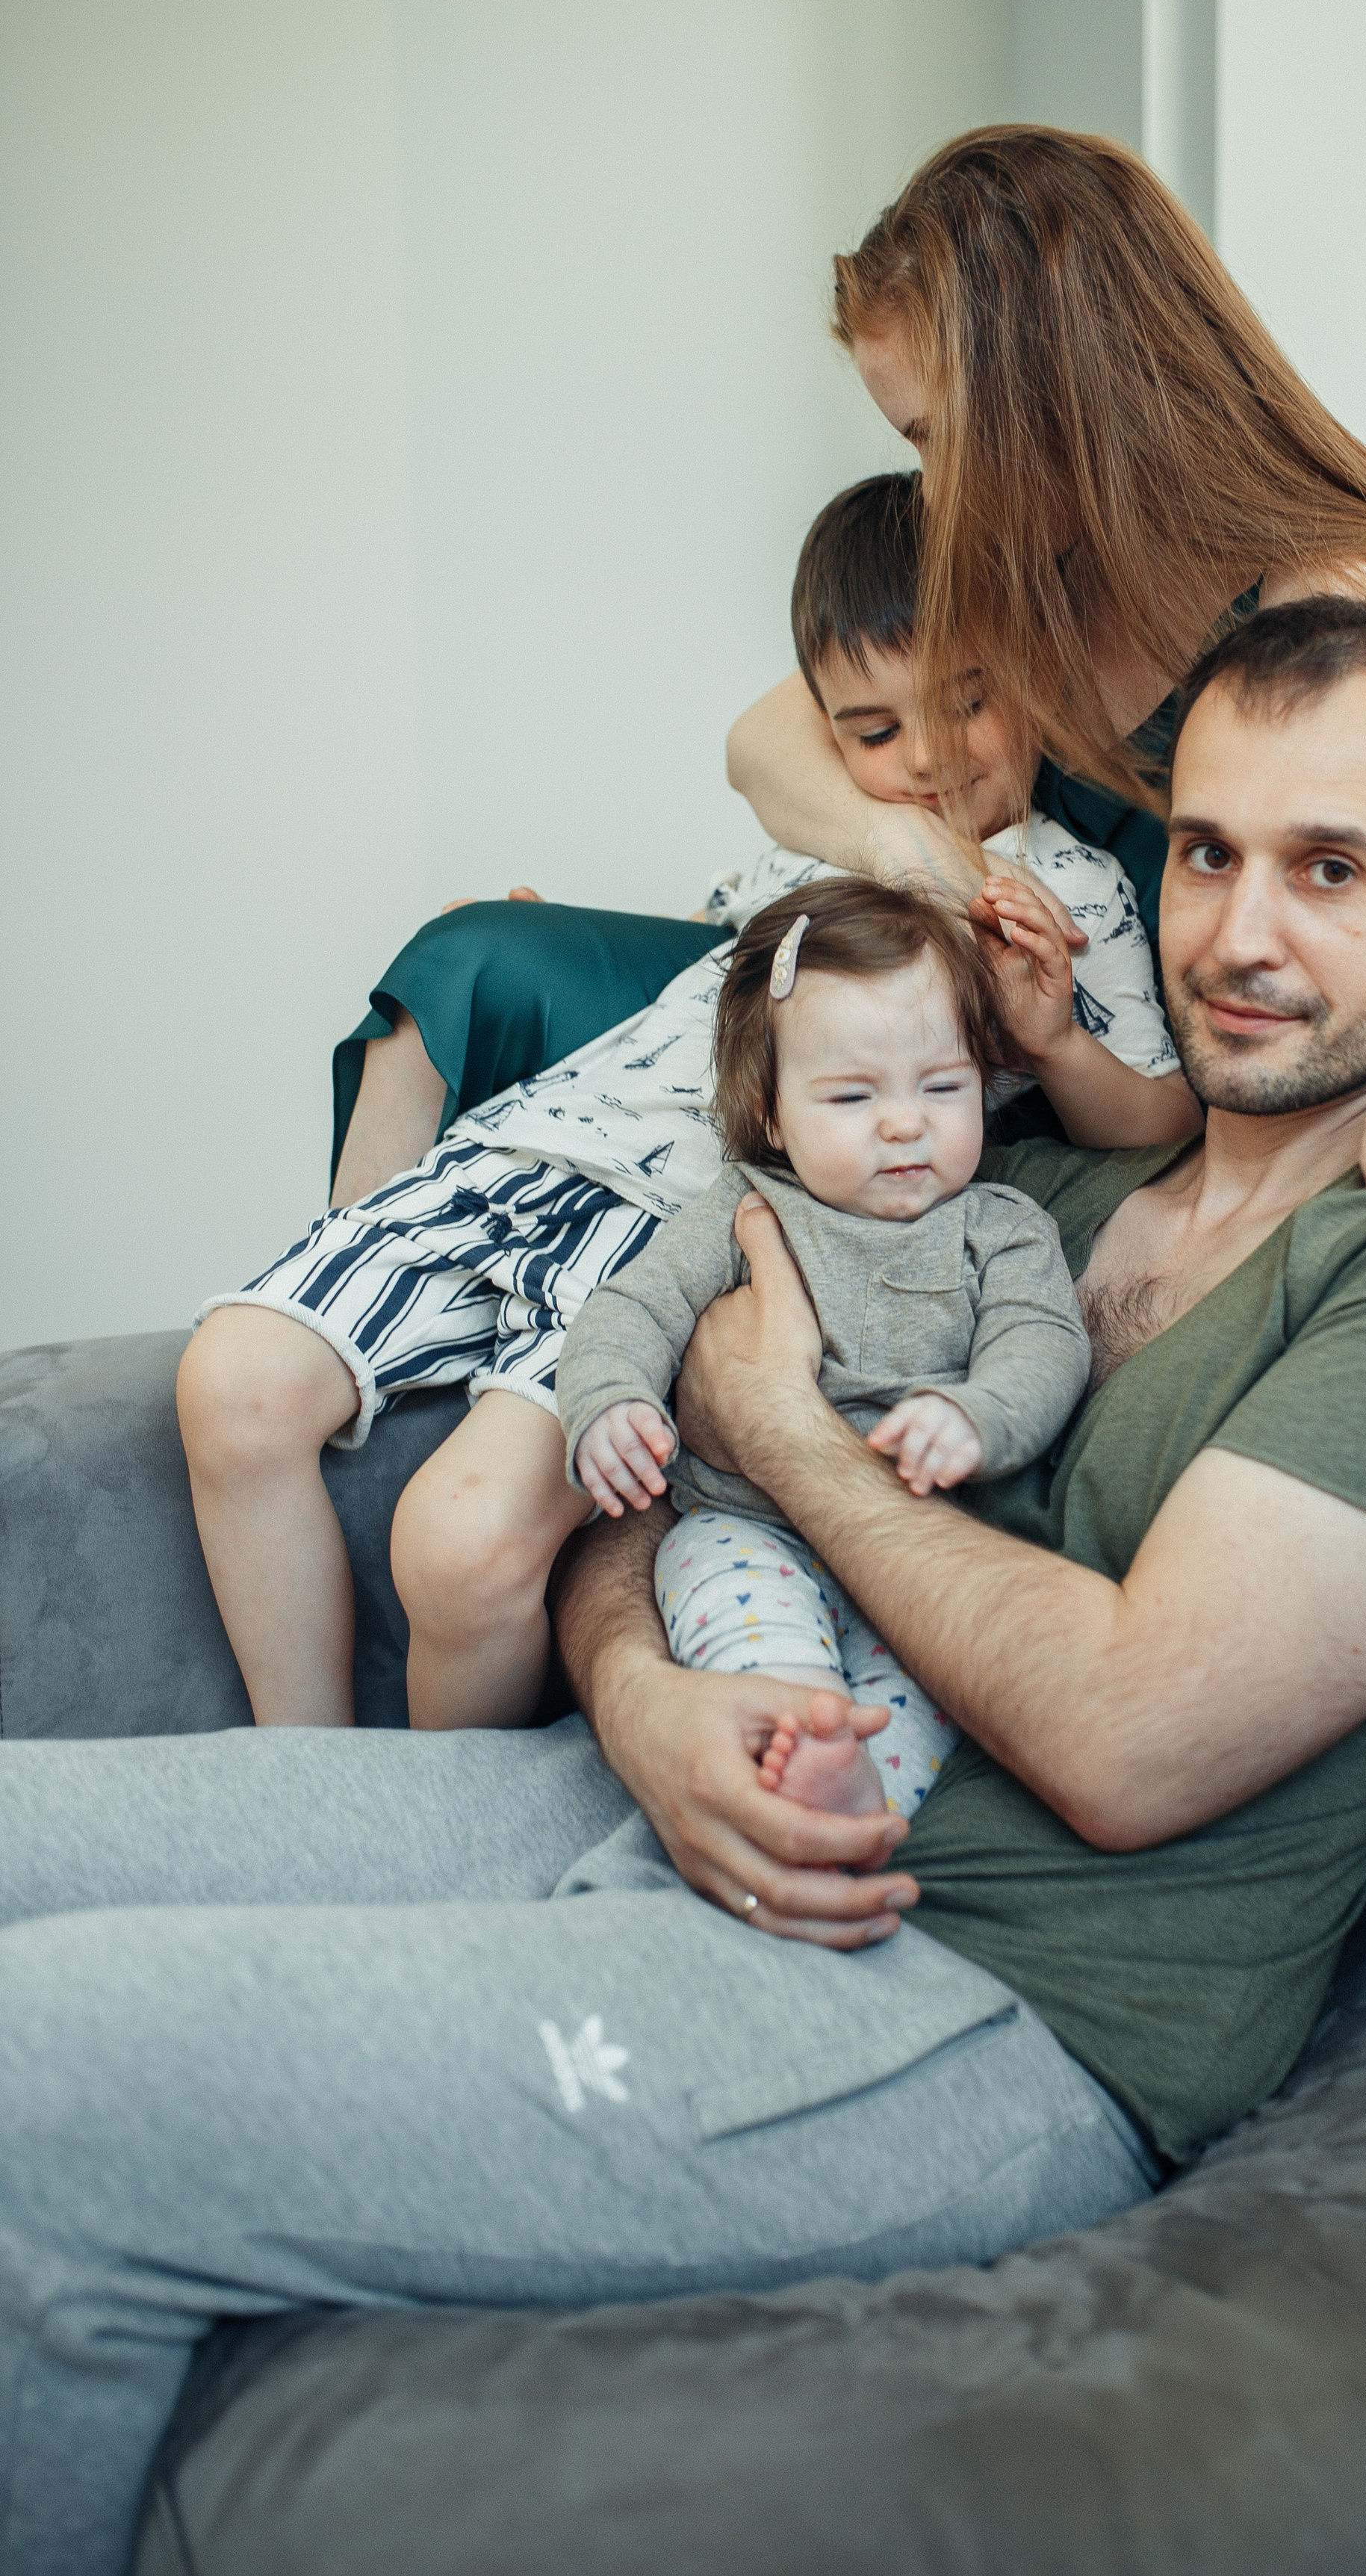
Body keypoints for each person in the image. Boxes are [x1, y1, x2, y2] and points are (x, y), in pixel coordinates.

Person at [0, 595, 1366, 2576]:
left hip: (977, 2002)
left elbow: (1126, 1736)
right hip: (663, 1791)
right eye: (1207, 852)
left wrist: (792, 1433)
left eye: (1332, 868)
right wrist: (643, 1693)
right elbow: (659, 1487)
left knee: (33, 2094)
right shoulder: (1051, 1175)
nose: (1243, 936)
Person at [328, 126, 1366, 1245]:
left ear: (1065, 387)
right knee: (471, 967)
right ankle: (335, 1319)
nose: (927, 489)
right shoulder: (1025, 563)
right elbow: (766, 742)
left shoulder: (1325, 596)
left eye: (935, 437)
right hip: (921, 1001)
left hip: (1065, 1070)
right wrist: (919, 856)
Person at [178, 476, 1190, 1734]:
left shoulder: (1069, 894)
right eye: (873, 730)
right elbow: (707, 950)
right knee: (230, 1385)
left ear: (1034, 672)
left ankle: (430, 1843)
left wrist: (1048, 1036)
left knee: (457, 1547)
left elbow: (1151, 1119)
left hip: (678, 1215)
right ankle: (297, 1773)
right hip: (531, 1146)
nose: (923, 758)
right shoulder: (831, 833)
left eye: (967, 704)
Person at [561, 877, 1094, 1822]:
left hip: (932, 1550)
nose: (904, 1121)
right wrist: (611, 1402)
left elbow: (1044, 1345)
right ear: (771, 1115)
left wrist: (978, 1414)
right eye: (852, 1094)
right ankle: (790, 1745)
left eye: (943, 1086)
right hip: (746, 1529)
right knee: (749, 1635)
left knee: (929, 1697)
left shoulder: (1002, 1228)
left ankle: (857, 1803)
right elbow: (631, 1310)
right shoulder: (745, 1209)